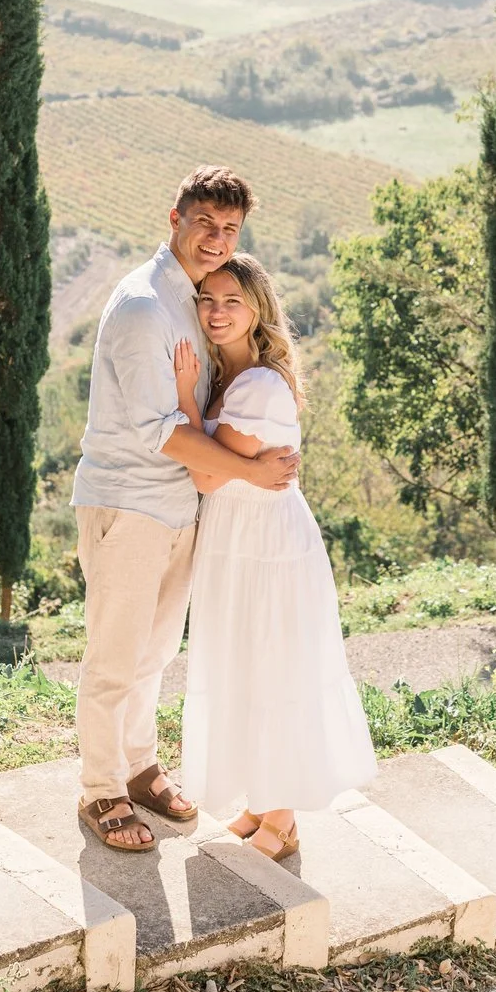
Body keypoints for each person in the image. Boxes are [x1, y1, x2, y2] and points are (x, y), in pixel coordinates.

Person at [72, 167, 300, 854]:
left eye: (230, 228)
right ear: (174, 218)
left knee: (153, 654)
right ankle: (100, 789)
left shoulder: (196, 301)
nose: (216, 238)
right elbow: (160, 429)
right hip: (130, 503)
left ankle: (139, 766)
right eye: (204, 222)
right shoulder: (144, 306)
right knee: (115, 657)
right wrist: (252, 472)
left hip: (180, 506)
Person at [174, 252, 378, 861]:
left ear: (257, 309)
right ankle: (262, 803)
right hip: (235, 540)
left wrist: (184, 399)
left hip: (268, 545)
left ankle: (283, 817)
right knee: (244, 666)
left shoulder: (259, 385)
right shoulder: (228, 379)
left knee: (275, 668)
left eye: (232, 302)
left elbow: (207, 476)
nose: (216, 312)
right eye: (207, 300)